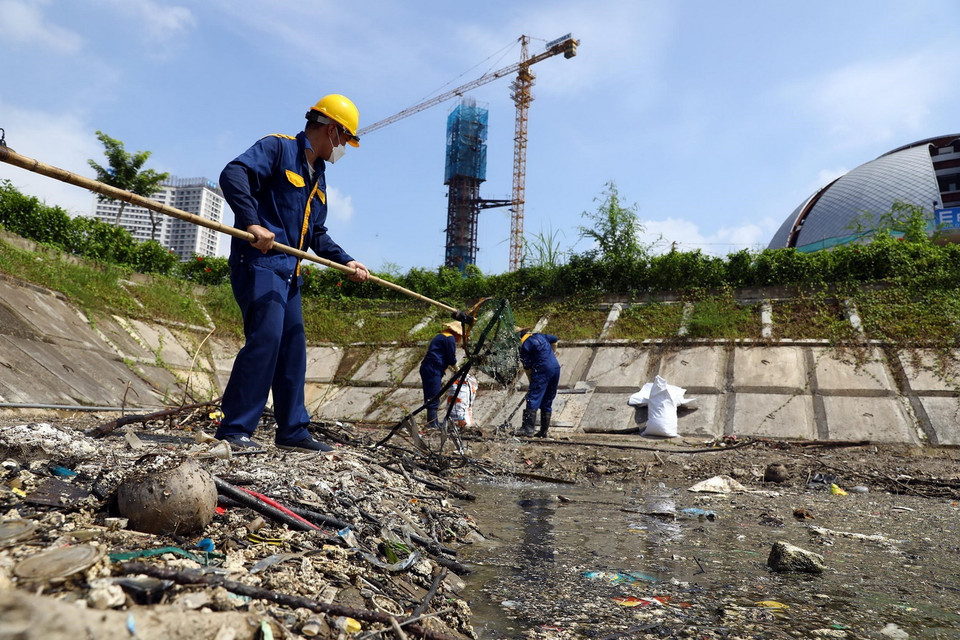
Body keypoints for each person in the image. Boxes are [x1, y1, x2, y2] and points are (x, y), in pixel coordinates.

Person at [215, 94, 370, 452]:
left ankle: (293, 431)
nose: (343, 148)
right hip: (260, 265)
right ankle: (235, 429)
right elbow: (233, 174)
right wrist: (252, 223)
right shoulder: (278, 149)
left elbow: (316, 233)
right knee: (266, 339)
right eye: (345, 139)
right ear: (332, 130)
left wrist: (347, 261)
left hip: (290, 274)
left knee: (293, 348)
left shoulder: (320, 177)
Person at [419, 321, 464, 429]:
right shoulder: (450, 339)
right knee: (433, 395)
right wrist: (456, 368)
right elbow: (450, 357)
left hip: (429, 367)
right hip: (433, 368)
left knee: (432, 394)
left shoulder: (442, 336)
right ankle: (432, 423)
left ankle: (432, 422)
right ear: (456, 333)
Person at [516, 329, 560, 438]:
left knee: (533, 397)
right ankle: (544, 431)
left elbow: (528, 367)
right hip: (555, 368)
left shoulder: (524, 347)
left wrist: (532, 383)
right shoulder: (541, 336)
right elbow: (554, 338)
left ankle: (528, 429)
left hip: (542, 369)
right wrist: (553, 352)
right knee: (548, 399)